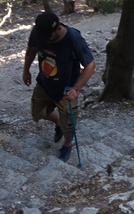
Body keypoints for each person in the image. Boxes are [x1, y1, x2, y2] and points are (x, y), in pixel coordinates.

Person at [22, 12, 96, 163]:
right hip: (44, 83)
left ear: (57, 29)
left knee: (69, 124)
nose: (45, 41)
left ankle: (67, 144)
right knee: (38, 113)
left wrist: (76, 89)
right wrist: (26, 70)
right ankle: (58, 123)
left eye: (48, 37)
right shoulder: (38, 32)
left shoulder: (73, 39)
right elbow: (31, 49)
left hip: (67, 89)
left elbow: (90, 65)